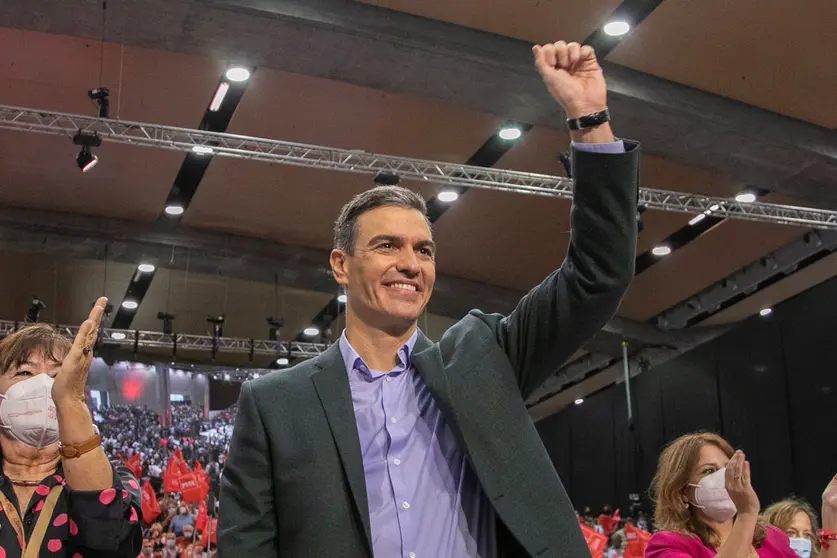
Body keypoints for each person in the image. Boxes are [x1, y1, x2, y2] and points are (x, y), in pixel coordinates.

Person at [220, 39, 639, 558]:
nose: (411, 264)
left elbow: (598, 274)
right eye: (386, 246)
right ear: (341, 265)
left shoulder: (484, 358)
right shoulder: (275, 404)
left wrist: (588, 117)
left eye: (424, 250)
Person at [0, 298, 142, 557]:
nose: (45, 386)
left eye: (57, 376)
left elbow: (109, 541)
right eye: (24, 373)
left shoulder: (115, 479)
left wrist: (69, 402)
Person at [644, 432, 837, 558]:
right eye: (709, 471)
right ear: (683, 492)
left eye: (728, 468)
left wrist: (830, 512)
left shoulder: (770, 537)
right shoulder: (668, 546)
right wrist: (746, 514)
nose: (725, 477)